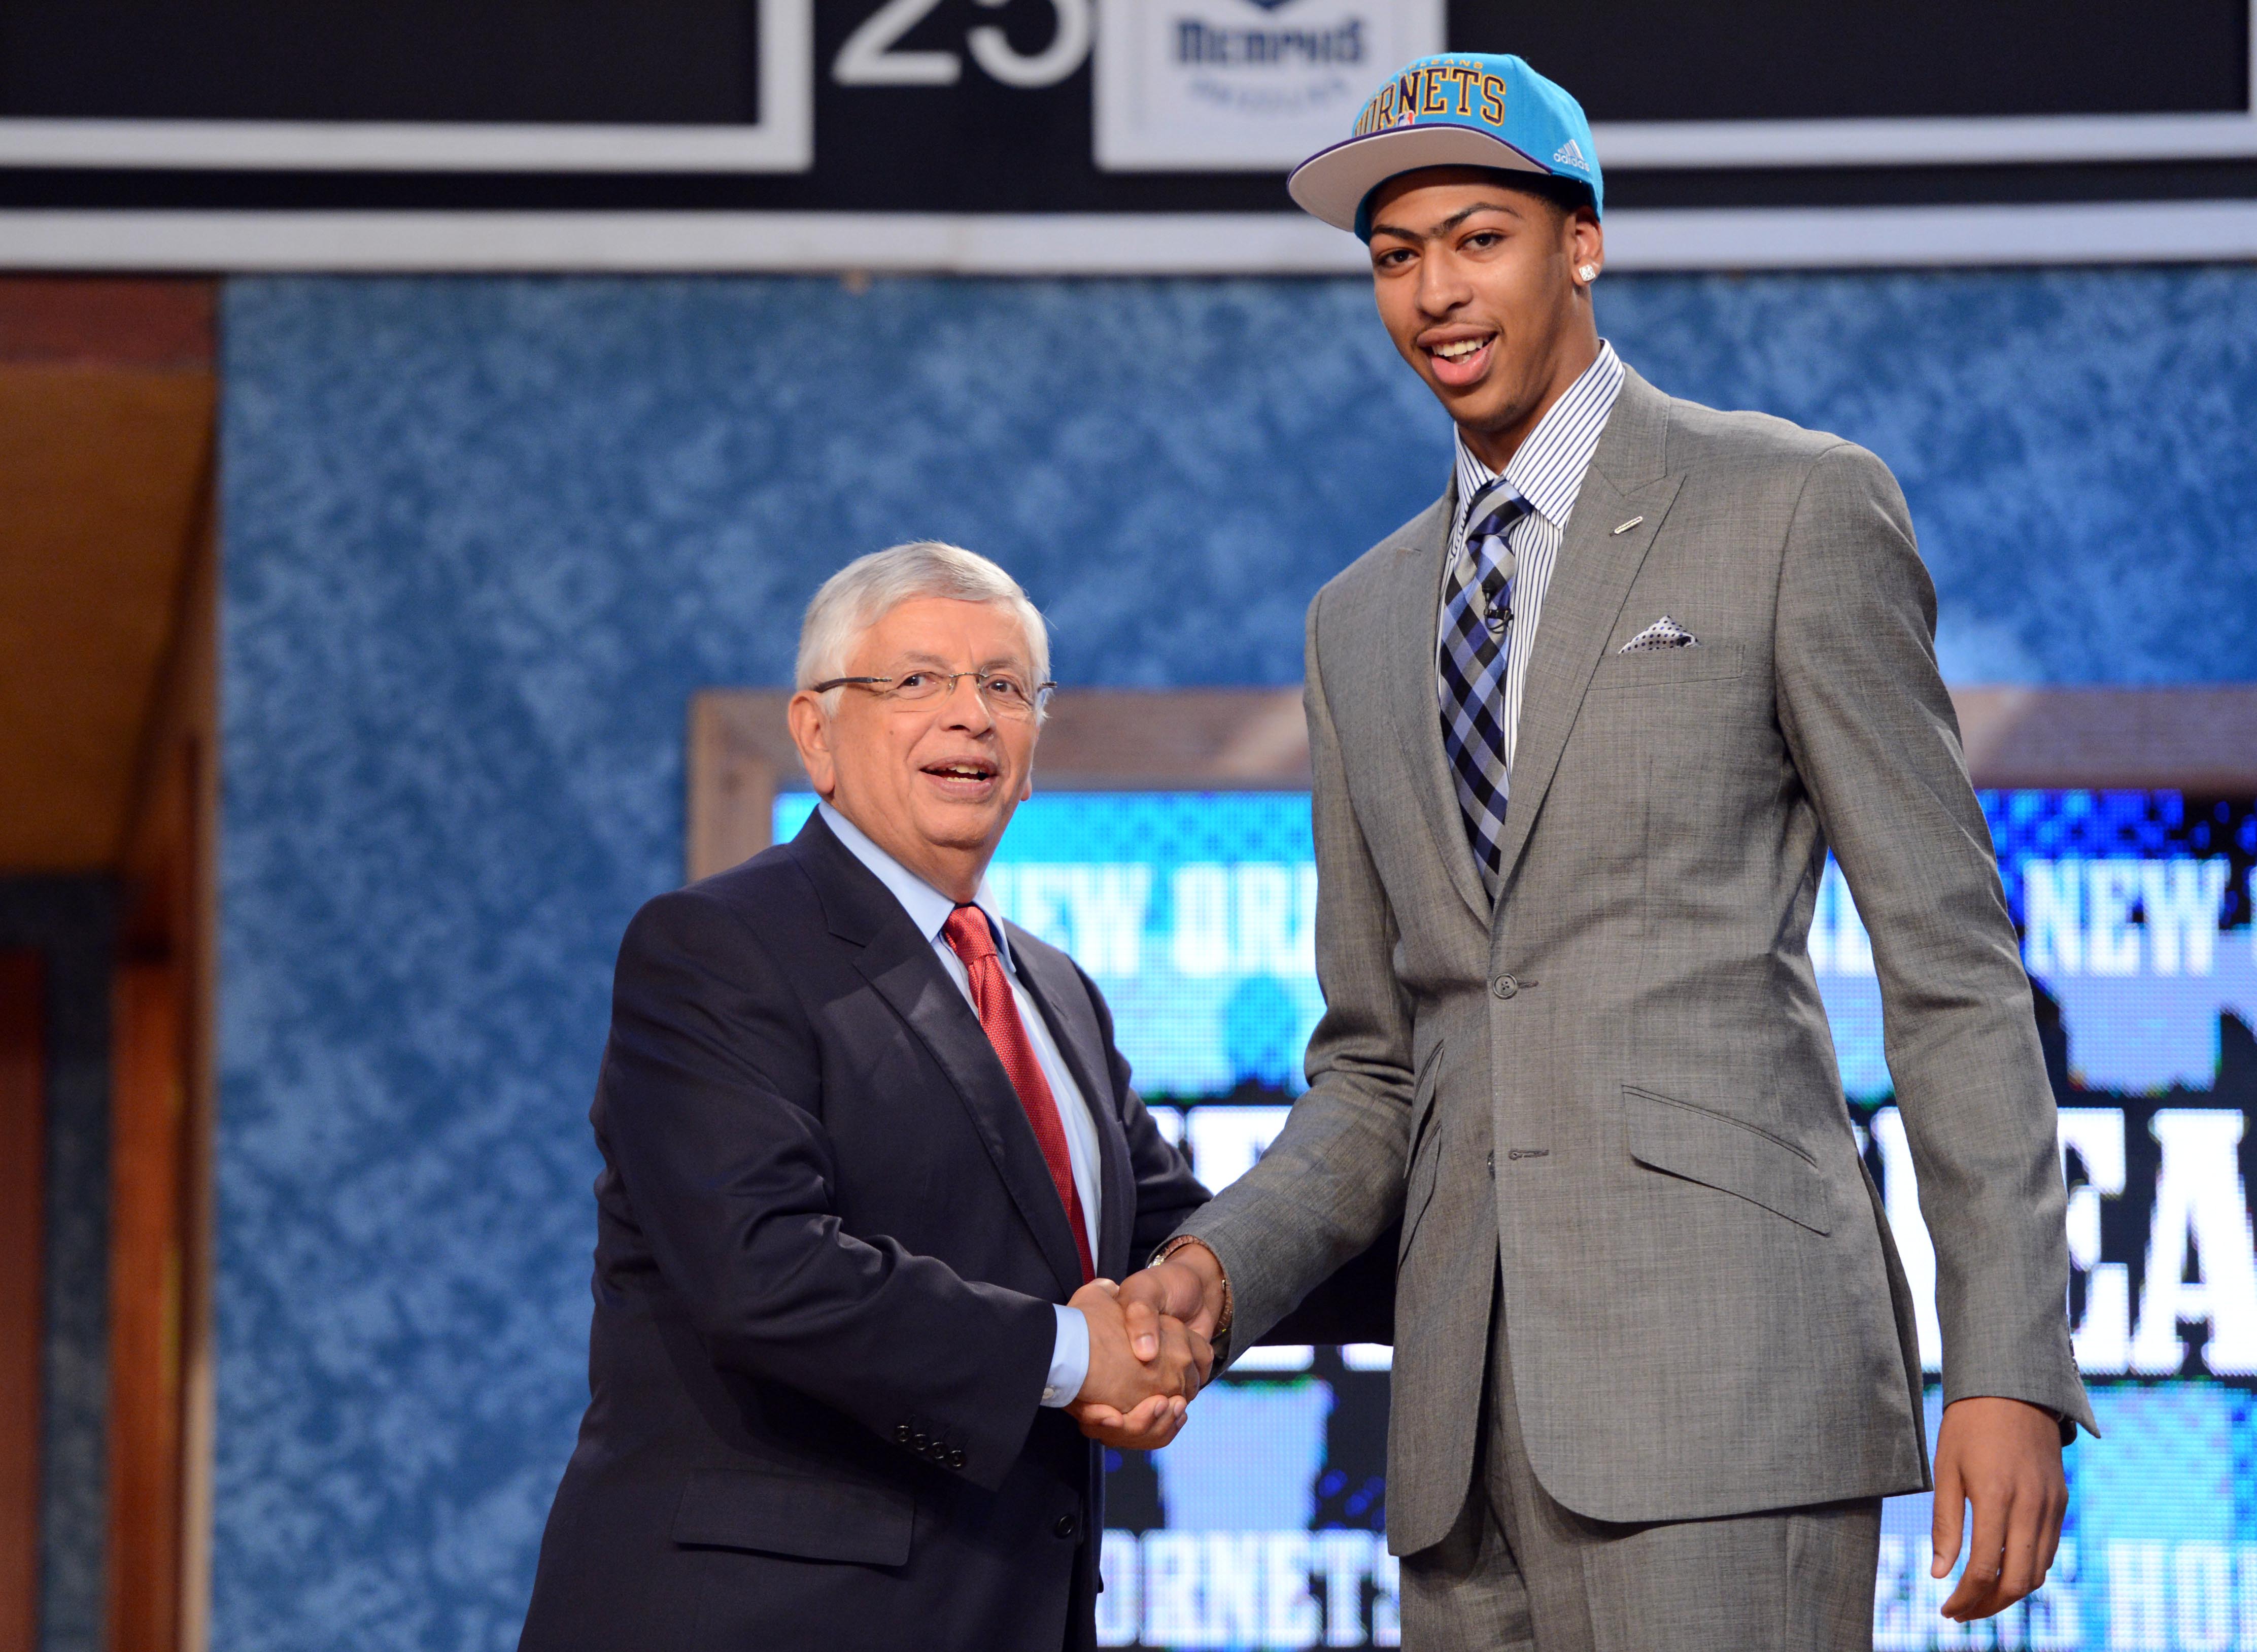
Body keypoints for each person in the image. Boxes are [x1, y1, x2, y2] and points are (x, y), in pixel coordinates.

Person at [1106, 53, 2095, 1650]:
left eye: (1476, 237)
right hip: (1455, 1438)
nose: (1433, 290)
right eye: (1394, 253)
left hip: (1730, 1391)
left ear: (1582, 242)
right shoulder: (1356, 621)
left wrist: (2007, 1361)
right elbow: (1377, 1066)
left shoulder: (1791, 507)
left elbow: (1954, 969)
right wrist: (1210, 1278)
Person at [519, 541, 1211, 1652]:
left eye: (1004, 686)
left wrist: (1459, 1237)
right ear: (813, 732)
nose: (970, 716)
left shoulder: (1058, 988)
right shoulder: (715, 946)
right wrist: (1079, 1355)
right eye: (916, 681)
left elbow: (1177, 1235)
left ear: (1034, 747)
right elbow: (764, 1269)